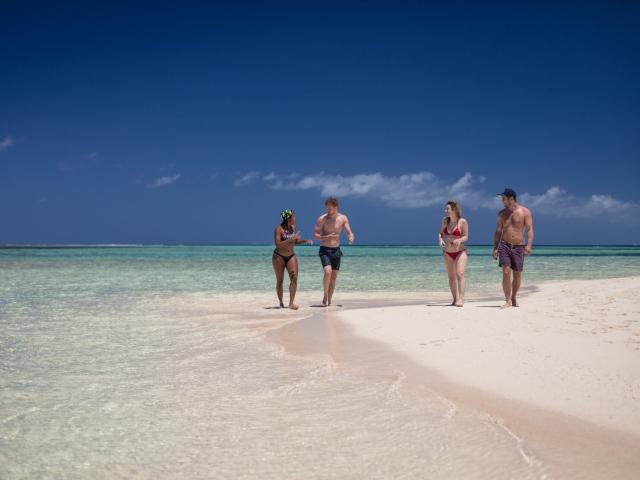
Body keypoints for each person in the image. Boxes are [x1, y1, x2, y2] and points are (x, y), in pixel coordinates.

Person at [492, 188, 534, 309]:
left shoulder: (525, 212)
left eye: (504, 198)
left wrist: (529, 246)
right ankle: (507, 300)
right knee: (505, 272)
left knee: (517, 275)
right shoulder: (501, 214)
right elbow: (498, 231)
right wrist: (495, 248)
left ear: (511, 199)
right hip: (504, 245)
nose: (502, 200)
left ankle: (514, 296)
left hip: (519, 246)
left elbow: (530, 229)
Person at [313, 197, 355, 307]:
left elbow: (349, 231)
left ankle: (330, 299)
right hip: (325, 250)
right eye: (327, 209)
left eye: (331, 209)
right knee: (328, 272)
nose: (329, 211)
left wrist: (351, 237)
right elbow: (316, 235)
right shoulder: (322, 219)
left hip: (336, 250)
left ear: (336, 207)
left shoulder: (343, 218)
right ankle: (325, 294)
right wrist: (326, 237)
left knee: (334, 277)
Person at [272, 209, 313, 310]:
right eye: (293, 217)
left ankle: (291, 303)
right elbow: (278, 244)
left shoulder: (292, 228)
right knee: (280, 281)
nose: (295, 218)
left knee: (294, 278)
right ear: (287, 218)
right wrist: (291, 239)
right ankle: (281, 303)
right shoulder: (278, 229)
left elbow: (295, 241)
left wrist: (304, 241)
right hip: (278, 256)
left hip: (291, 256)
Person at [438, 201, 469, 307]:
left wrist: (459, 240)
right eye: (445, 209)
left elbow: (466, 236)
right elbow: (440, 233)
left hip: (460, 251)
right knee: (451, 277)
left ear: (454, 209)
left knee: (460, 274)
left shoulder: (462, 221)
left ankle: (461, 299)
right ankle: (455, 299)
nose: (445, 211)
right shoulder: (445, 221)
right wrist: (440, 240)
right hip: (447, 252)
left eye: (447, 209)